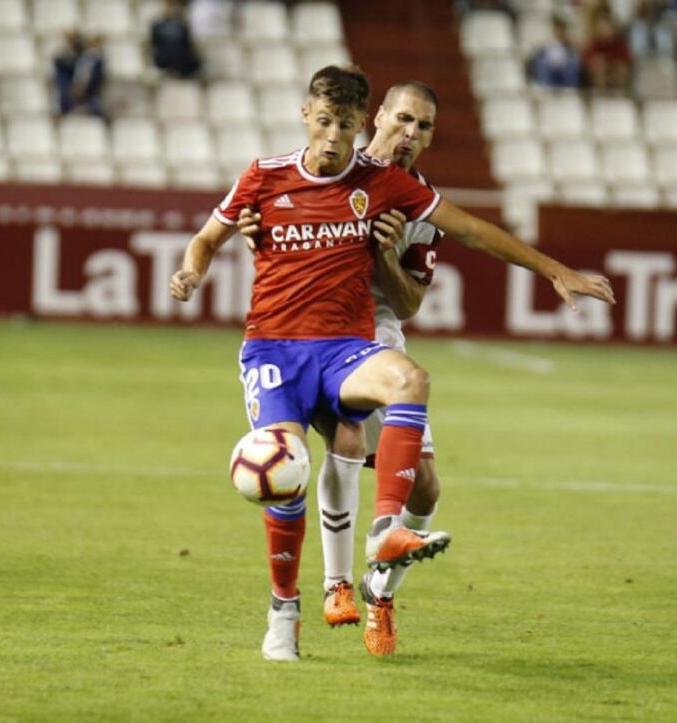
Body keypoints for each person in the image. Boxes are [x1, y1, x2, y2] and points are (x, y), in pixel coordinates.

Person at [169, 65, 615, 662]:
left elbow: (474, 231)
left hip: (351, 343)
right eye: (326, 121)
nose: (334, 135)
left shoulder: (390, 186)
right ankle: (288, 609)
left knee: (411, 385)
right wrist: (194, 269)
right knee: (293, 467)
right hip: (275, 346)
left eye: (344, 124)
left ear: (362, 124)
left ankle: (382, 539)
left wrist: (556, 270)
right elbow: (208, 237)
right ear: (313, 116)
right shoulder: (264, 174)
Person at [236, 81, 448, 657]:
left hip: (377, 332)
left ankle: (381, 590)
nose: (410, 134)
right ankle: (334, 586)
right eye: (403, 119)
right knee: (345, 435)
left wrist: (385, 253)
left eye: (423, 127)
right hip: (316, 335)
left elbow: (407, 304)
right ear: (377, 116)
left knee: (426, 487)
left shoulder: (421, 203)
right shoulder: (334, 165)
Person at [53, 31, 106, 117]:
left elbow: (81, 85)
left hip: (86, 102)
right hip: (72, 103)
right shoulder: (62, 61)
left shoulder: (92, 60)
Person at [151, 0, 202, 78]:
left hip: (181, 58)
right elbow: (154, 44)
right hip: (165, 58)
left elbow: (187, 43)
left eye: (175, 7)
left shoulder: (182, 25)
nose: (173, 10)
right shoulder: (157, 25)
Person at [527, 16, 582, 89]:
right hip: (549, 66)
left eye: (559, 30)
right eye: (556, 30)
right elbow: (536, 54)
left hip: (564, 67)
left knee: (573, 62)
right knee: (541, 63)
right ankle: (546, 88)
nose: (558, 32)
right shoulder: (546, 43)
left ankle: (570, 89)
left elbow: (576, 52)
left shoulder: (569, 43)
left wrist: (568, 44)